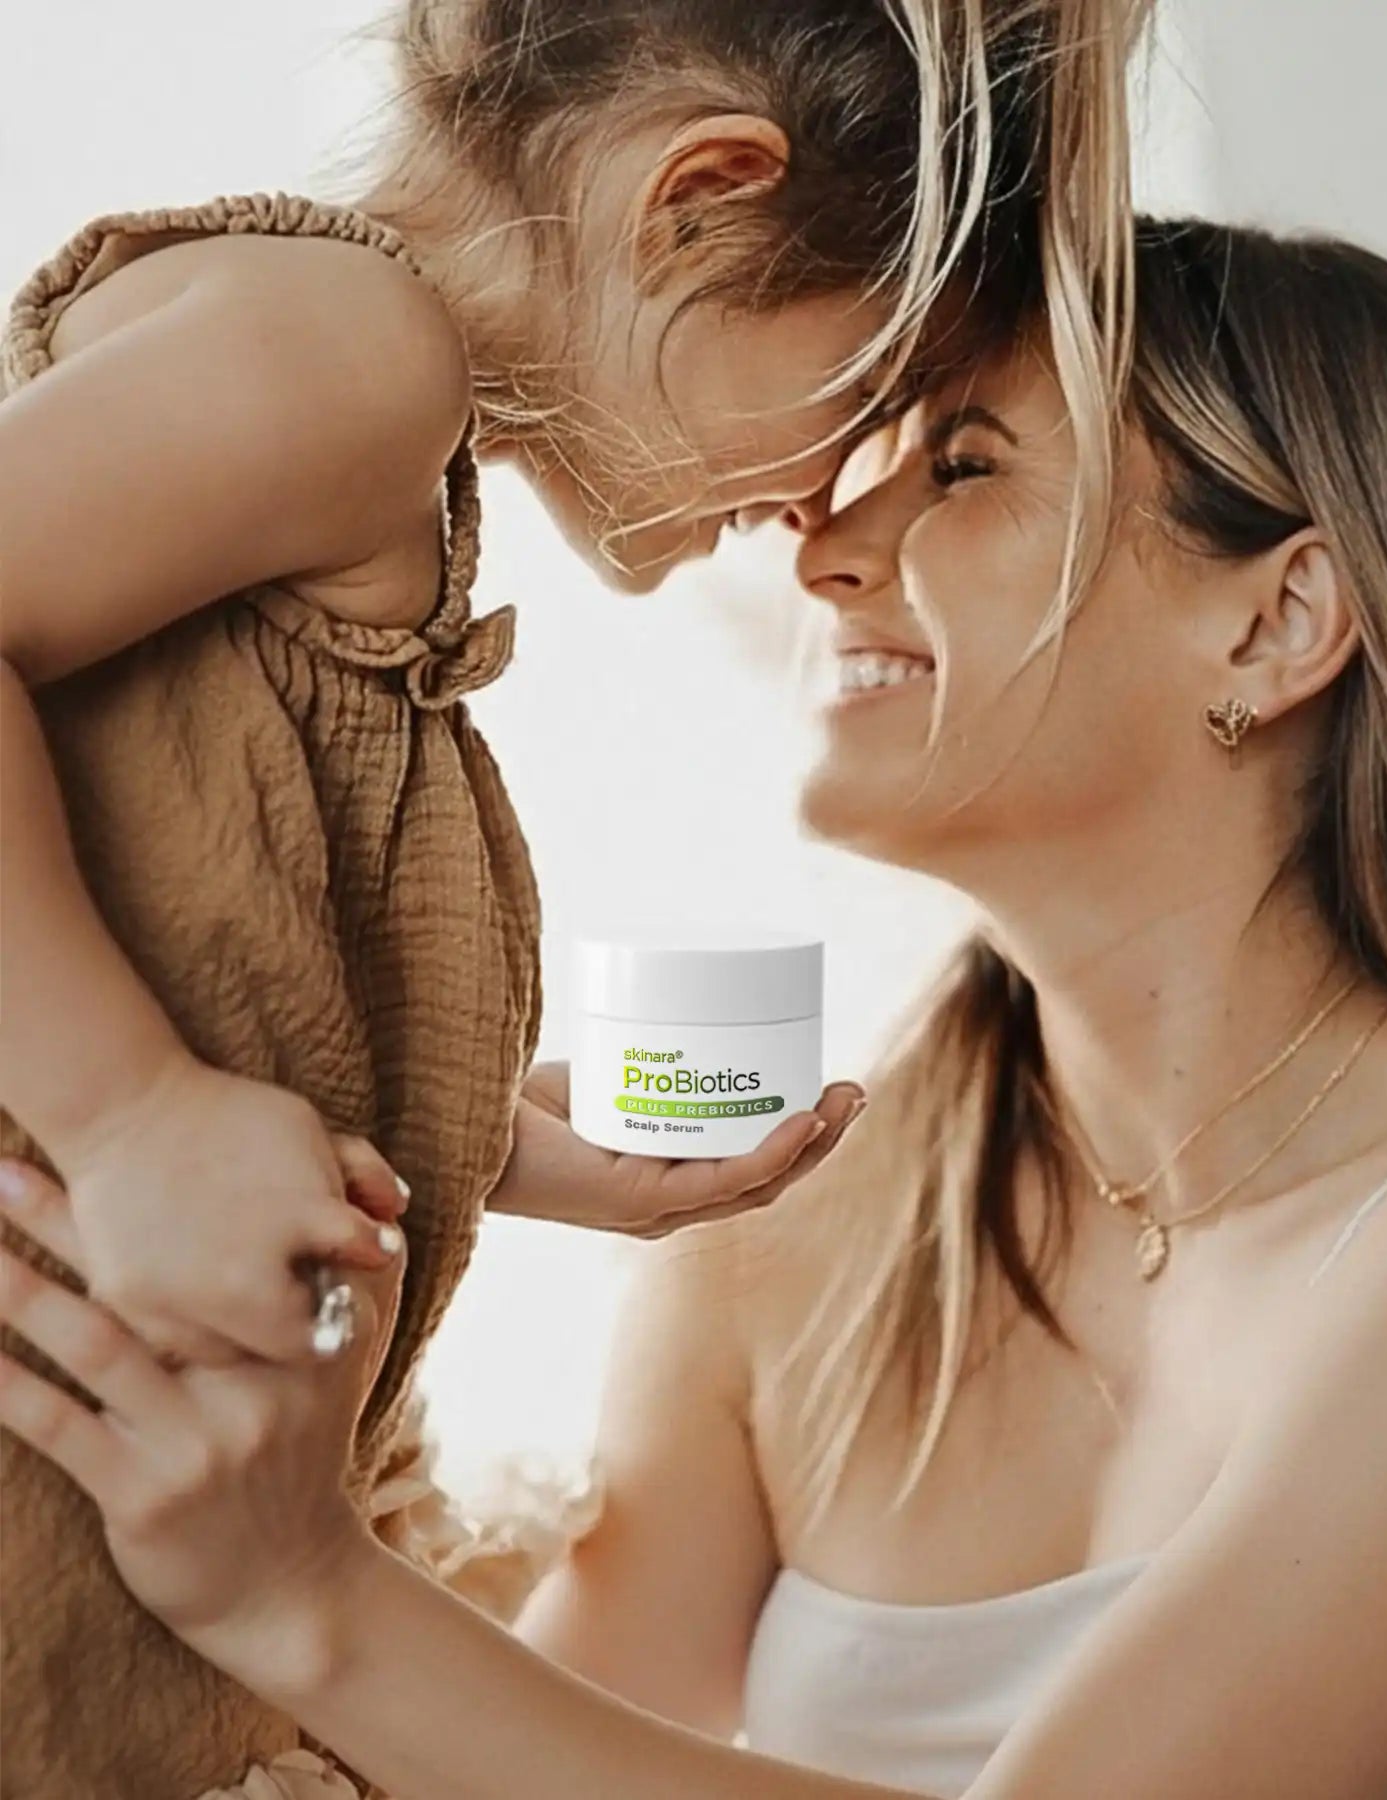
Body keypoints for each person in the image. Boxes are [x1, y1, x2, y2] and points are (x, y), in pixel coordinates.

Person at [2, 216, 1387, 1800]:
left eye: (961, 469)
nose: (823, 545)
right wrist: (369, 1165)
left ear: (1277, 620)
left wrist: (311, 1600)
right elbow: (499, 1755)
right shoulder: (796, 1231)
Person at [0, 2, 1151, 1792]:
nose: (817, 506)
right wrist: (126, 1110)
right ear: (698, 199)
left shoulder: (350, 434)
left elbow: (175, 904)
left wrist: (483, 1143)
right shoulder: (356, 353)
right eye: (865, 392)